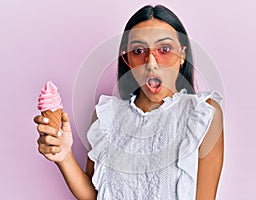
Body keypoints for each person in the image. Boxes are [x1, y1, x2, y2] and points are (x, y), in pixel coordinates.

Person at [34, 4, 224, 200]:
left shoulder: (202, 113)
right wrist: (64, 157)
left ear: (182, 55)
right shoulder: (107, 116)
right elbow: (94, 196)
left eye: (164, 49)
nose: (151, 63)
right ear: (127, 59)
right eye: (139, 51)